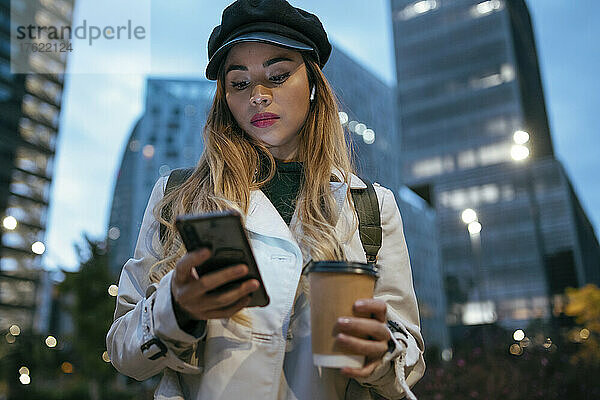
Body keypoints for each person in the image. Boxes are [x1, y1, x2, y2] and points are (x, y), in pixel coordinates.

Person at [106, 0, 425, 398]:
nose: (258, 95)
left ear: (311, 85)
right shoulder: (177, 195)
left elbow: (410, 357)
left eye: (277, 76)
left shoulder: (371, 206)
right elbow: (122, 351)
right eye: (239, 82)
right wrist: (178, 308)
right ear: (224, 96)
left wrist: (379, 351)